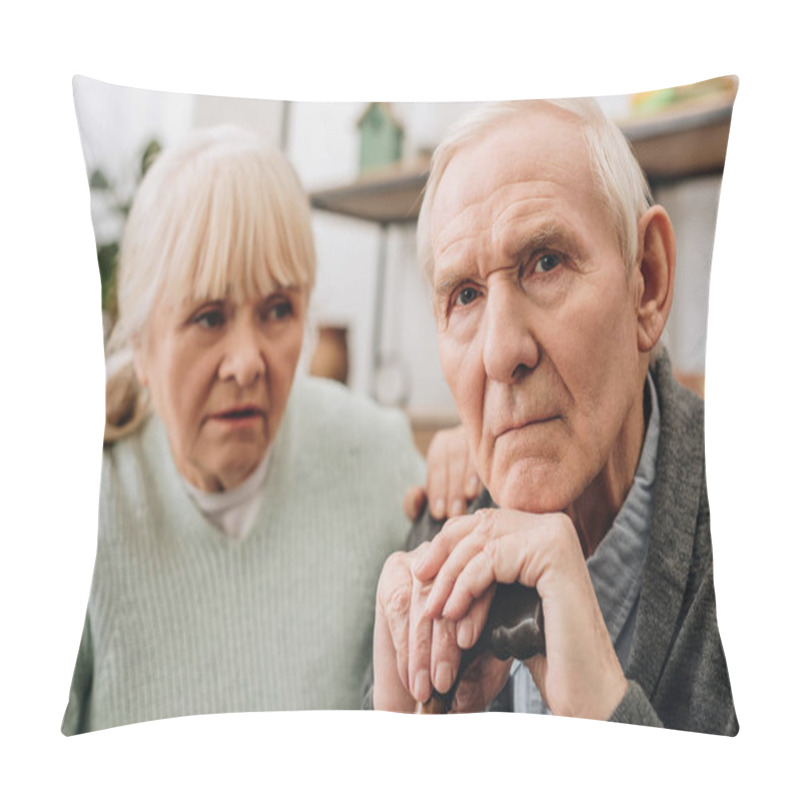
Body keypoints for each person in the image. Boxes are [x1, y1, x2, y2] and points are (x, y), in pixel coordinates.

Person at [61, 125, 471, 734]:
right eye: (209, 317)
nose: (248, 361)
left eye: (278, 310)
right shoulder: (83, 501)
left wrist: (478, 465)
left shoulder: (377, 458)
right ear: (143, 344)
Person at [368, 99, 738, 735]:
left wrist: (604, 710)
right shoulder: (437, 534)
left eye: (545, 262)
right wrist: (397, 737)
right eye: (465, 295)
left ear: (646, 282)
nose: (501, 351)